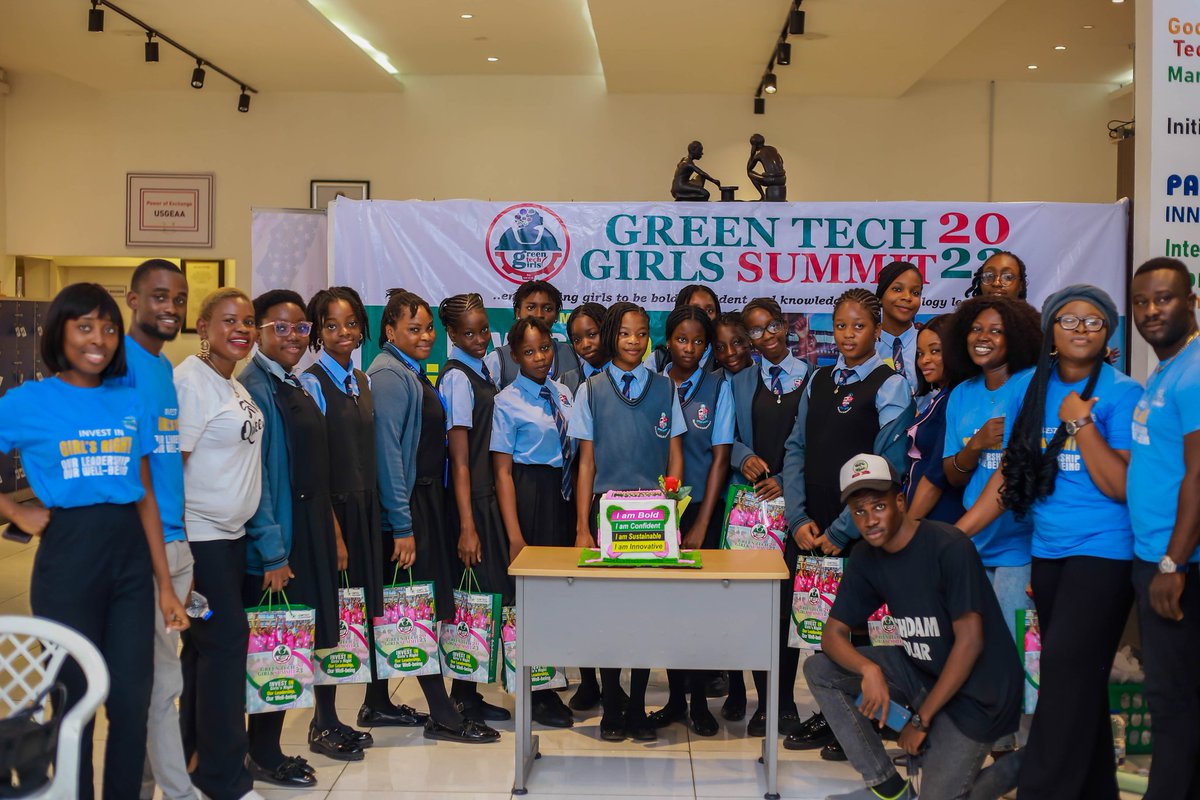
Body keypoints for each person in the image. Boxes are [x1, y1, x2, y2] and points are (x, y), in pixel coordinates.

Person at [0, 282, 188, 800]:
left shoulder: (128, 399)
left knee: (131, 699)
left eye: (108, 328)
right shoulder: (28, 401)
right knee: (73, 697)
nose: (100, 338)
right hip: (68, 558)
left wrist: (165, 589)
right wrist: (15, 510)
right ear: (59, 332)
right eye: (85, 326)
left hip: (129, 555)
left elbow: (146, 497)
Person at [954, 285, 1140, 799]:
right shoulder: (1027, 390)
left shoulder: (1124, 393)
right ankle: (1096, 789)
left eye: (1094, 322)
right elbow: (1009, 477)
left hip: (1105, 552)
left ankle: (1039, 789)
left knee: (1062, 676)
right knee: (1080, 679)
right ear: (1051, 334)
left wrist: (1081, 422)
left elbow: (1119, 485)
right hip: (1049, 553)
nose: (1081, 329)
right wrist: (956, 535)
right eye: (1069, 320)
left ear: (1107, 336)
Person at [802, 453, 1022, 800]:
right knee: (820, 669)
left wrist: (921, 721)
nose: (869, 520)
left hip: (981, 693)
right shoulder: (866, 557)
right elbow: (832, 636)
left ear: (900, 501)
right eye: (859, 511)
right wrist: (869, 669)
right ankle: (889, 787)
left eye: (878, 506)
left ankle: (1033, 761)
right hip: (923, 670)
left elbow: (970, 643)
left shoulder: (948, 546)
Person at [782, 288, 915, 759]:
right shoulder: (819, 380)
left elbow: (888, 465)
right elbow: (795, 449)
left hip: (859, 533)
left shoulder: (890, 383)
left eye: (859, 326)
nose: (848, 335)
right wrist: (797, 517)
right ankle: (835, 715)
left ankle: (876, 719)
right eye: (841, 326)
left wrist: (843, 530)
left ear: (877, 330)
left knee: (863, 630)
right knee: (819, 625)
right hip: (809, 529)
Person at [367, 288, 500, 743]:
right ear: (389, 331)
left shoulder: (406, 369)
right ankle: (443, 714)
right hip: (408, 505)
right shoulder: (387, 374)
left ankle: (376, 701)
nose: (424, 336)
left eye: (426, 328)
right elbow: (388, 454)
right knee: (415, 607)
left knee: (403, 601)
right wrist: (402, 524)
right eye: (413, 328)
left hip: (420, 500)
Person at [301, 287, 426, 743]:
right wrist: (332, 530)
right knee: (334, 615)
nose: (343, 333)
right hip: (334, 512)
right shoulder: (312, 382)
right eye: (331, 325)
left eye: (351, 323)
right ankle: (324, 719)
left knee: (365, 609)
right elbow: (313, 465)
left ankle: (376, 702)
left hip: (367, 508)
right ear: (317, 331)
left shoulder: (363, 381)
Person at [239, 290, 349, 784]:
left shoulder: (293, 382)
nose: (292, 337)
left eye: (301, 328)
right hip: (281, 536)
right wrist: (272, 551)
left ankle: (266, 747)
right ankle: (260, 752)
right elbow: (258, 476)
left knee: (295, 640)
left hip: (309, 527)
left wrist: (332, 531)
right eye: (280, 328)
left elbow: (314, 469)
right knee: (276, 643)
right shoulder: (255, 385)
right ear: (259, 331)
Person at [569, 301, 686, 741]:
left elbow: (675, 451)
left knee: (645, 613)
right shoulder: (592, 389)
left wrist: (672, 506)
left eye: (641, 334)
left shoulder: (665, 387)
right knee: (610, 610)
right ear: (611, 336)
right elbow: (586, 463)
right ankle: (612, 704)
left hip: (653, 513)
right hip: (608, 510)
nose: (634, 341)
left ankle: (638, 706)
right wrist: (583, 525)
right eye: (625, 334)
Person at [175, 288, 263, 800]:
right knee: (226, 651)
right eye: (229, 320)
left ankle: (194, 761)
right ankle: (225, 781)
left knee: (204, 656)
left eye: (249, 322)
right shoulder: (191, 382)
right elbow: (170, 467)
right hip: (200, 541)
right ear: (203, 326)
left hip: (230, 540)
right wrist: (177, 549)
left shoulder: (230, 384)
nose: (242, 330)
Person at [112, 260, 195, 800]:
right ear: (132, 298)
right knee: (162, 683)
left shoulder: (164, 366)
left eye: (179, 298)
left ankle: (139, 788)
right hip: (142, 548)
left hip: (174, 541)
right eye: (159, 296)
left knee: (154, 682)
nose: (170, 307)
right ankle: (179, 791)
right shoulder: (114, 366)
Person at [1127, 257, 1200, 799]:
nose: (1151, 311)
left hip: (1182, 564)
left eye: (1164, 299)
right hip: (1157, 555)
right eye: (1142, 302)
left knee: (1174, 700)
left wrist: (1172, 563)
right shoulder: (1167, 369)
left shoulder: (1196, 371)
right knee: (1172, 697)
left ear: (1191, 302)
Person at [646, 305, 733, 736]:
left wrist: (700, 525)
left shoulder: (720, 387)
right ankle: (675, 701)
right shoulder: (655, 386)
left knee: (699, 612)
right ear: (667, 341)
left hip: (701, 513)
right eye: (682, 339)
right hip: (657, 515)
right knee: (665, 609)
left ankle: (700, 701)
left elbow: (720, 459)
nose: (690, 348)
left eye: (699, 341)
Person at [726, 296, 813, 734]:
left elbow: (819, 442)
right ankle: (764, 703)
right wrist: (743, 459)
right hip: (753, 513)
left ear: (786, 326)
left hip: (795, 505)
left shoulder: (815, 378)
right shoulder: (740, 382)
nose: (766, 337)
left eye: (772, 326)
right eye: (755, 332)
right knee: (759, 608)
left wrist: (783, 476)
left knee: (788, 609)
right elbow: (727, 438)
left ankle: (786, 703)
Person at [491, 316, 578, 728]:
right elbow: (503, 473)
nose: (539, 357)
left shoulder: (563, 393)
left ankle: (552, 682)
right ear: (514, 356)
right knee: (529, 599)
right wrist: (515, 535)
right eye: (529, 351)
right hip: (530, 496)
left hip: (562, 497)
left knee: (556, 596)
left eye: (544, 348)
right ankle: (536, 693)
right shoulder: (506, 401)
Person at [942, 296, 1042, 639]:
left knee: (1014, 650)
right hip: (975, 543)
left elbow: (1022, 470)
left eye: (996, 331)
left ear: (1016, 336)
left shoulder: (1030, 383)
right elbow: (953, 475)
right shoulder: (961, 395)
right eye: (976, 329)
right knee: (977, 650)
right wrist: (976, 445)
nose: (983, 337)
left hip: (1020, 544)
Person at [438, 292, 515, 723]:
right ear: (451, 334)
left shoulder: (482, 369)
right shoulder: (456, 378)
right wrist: (467, 525)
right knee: (475, 596)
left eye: (484, 329)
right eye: (468, 332)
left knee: (486, 596)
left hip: (488, 496)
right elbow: (460, 459)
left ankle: (468, 691)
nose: (479, 338)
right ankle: (461, 695)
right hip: (474, 501)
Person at [903, 315, 965, 524]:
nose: (924, 360)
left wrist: (908, 527)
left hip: (939, 521)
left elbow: (937, 474)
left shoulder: (954, 400)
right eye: (920, 353)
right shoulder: (941, 397)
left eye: (935, 351)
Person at [484, 280, 580, 391]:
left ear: (556, 316)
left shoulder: (575, 355)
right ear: (517, 313)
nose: (539, 314)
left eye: (547, 309)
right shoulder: (498, 359)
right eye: (531, 307)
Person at [645, 284, 722, 373]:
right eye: (695, 309)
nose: (703, 315)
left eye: (710, 310)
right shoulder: (657, 360)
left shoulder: (724, 357)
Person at [875, 261, 923, 398]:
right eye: (897, 289)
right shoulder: (867, 346)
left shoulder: (928, 343)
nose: (907, 297)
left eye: (915, 292)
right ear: (880, 296)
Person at [567, 302, 609, 380]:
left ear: (608, 331)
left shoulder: (628, 378)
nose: (585, 345)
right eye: (577, 340)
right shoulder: (565, 382)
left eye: (592, 334)